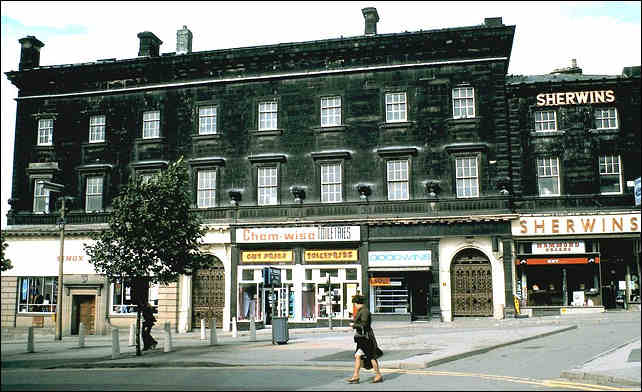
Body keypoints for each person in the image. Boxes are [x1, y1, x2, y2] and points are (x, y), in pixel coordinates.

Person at [346, 294, 383, 384]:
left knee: (371, 357)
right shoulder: (361, 311)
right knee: (358, 356)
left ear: (357, 303)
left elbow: (364, 324)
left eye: (354, 303)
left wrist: (353, 325)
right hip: (361, 338)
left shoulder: (364, 311)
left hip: (366, 338)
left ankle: (378, 375)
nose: (354, 305)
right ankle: (356, 376)